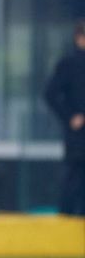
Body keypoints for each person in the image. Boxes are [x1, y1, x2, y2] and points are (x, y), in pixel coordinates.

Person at [45, 20, 85, 216]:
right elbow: (50, 93)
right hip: (78, 134)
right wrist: (70, 117)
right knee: (74, 175)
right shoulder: (69, 64)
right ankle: (66, 219)